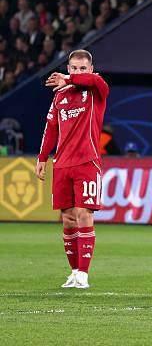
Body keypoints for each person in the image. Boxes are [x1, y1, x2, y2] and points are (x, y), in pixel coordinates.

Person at [36, 49, 109, 290]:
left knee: (83, 213)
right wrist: (42, 157)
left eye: (82, 68)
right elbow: (51, 128)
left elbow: (94, 81)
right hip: (62, 164)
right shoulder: (60, 96)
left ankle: (84, 274)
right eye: (74, 68)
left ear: (91, 69)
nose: (78, 72)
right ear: (68, 68)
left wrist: (68, 79)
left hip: (87, 161)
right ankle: (74, 272)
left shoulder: (96, 88)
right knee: (67, 219)